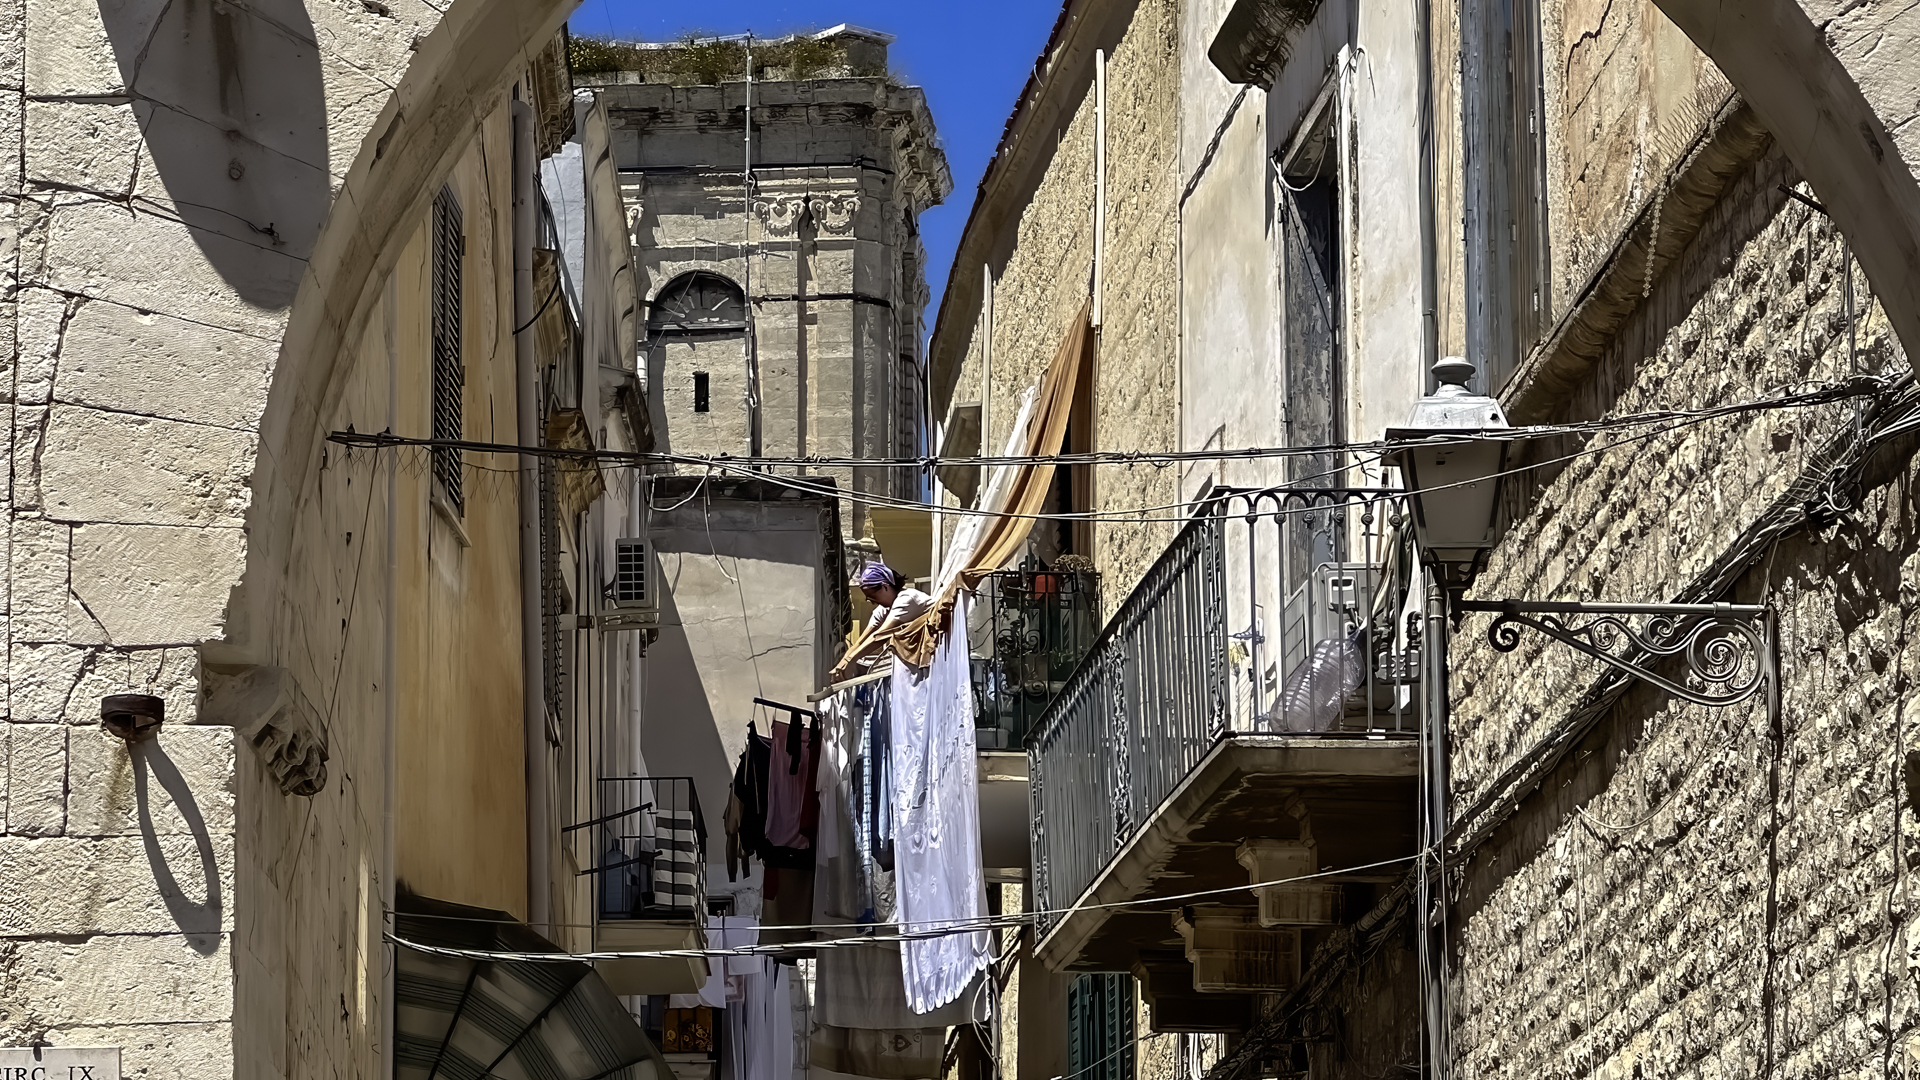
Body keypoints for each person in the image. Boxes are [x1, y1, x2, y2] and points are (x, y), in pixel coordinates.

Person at [828, 560, 933, 684]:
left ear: (885, 587)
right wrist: (842, 664)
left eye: (873, 596)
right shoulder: (884, 609)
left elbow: (880, 636)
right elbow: (862, 640)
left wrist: (851, 660)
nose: (872, 602)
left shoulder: (907, 598)